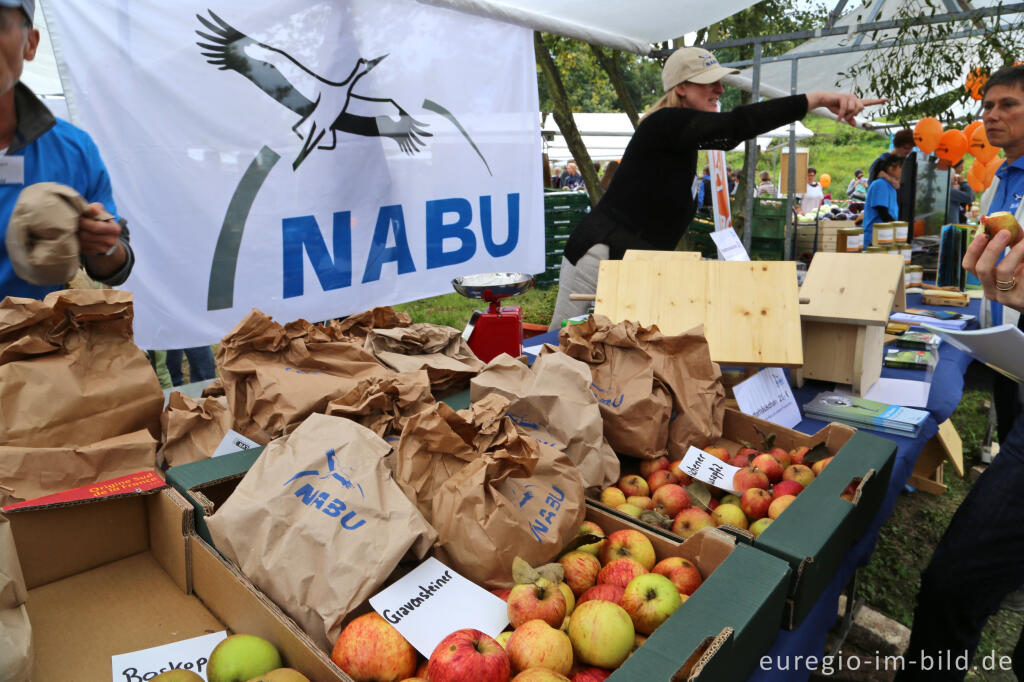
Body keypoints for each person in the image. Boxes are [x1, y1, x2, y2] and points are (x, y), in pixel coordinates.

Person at [547, 46, 883, 328]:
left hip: (632, 266)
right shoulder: (663, 124)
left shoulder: (681, 141)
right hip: (599, 258)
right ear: (681, 88)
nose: (720, 90)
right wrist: (818, 99)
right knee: (566, 353)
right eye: (709, 83)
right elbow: (737, 124)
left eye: (720, 83)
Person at [896, 64, 1024, 682]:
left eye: (1008, 105)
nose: (991, 115)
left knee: (954, 581)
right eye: (989, 105)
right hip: (1013, 355)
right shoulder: (1001, 180)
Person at [0, 0, 134, 300]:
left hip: (34, 342)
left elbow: (115, 264)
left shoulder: (73, 150)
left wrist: (103, 244)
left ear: (30, 44)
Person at [869, 128, 918, 224]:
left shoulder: (908, 165)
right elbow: (873, 189)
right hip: (882, 222)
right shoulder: (880, 163)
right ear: (896, 145)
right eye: (905, 148)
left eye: (911, 148)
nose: (908, 151)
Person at [861, 153, 902, 246]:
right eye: (900, 167)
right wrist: (898, 229)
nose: (902, 171)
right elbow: (883, 213)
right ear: (892, 169)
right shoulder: (880, 184)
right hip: (874, 238)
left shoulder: (891, 187)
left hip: (884, 236)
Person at [947, 159, 973, 224]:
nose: (962, 169)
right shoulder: (951, 191)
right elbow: (970, 197)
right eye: (961, 167)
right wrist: (963, 182)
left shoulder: (951, 190)